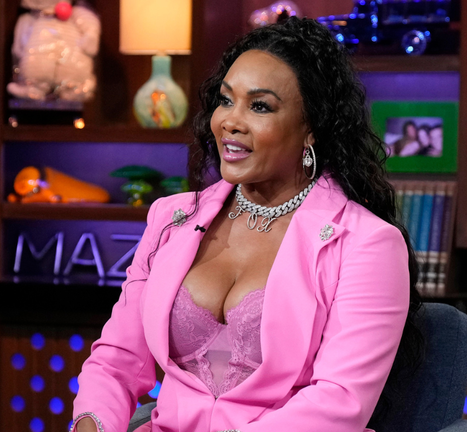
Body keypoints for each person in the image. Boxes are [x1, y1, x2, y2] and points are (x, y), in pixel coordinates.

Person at [72, 17, 422, 432]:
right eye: (225, 100)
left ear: (311, 127)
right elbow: (117, 361)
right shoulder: (172, 219)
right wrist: (91, 424)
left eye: (259, 106)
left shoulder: (367, 243)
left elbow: (339, 402)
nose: (230, 122)